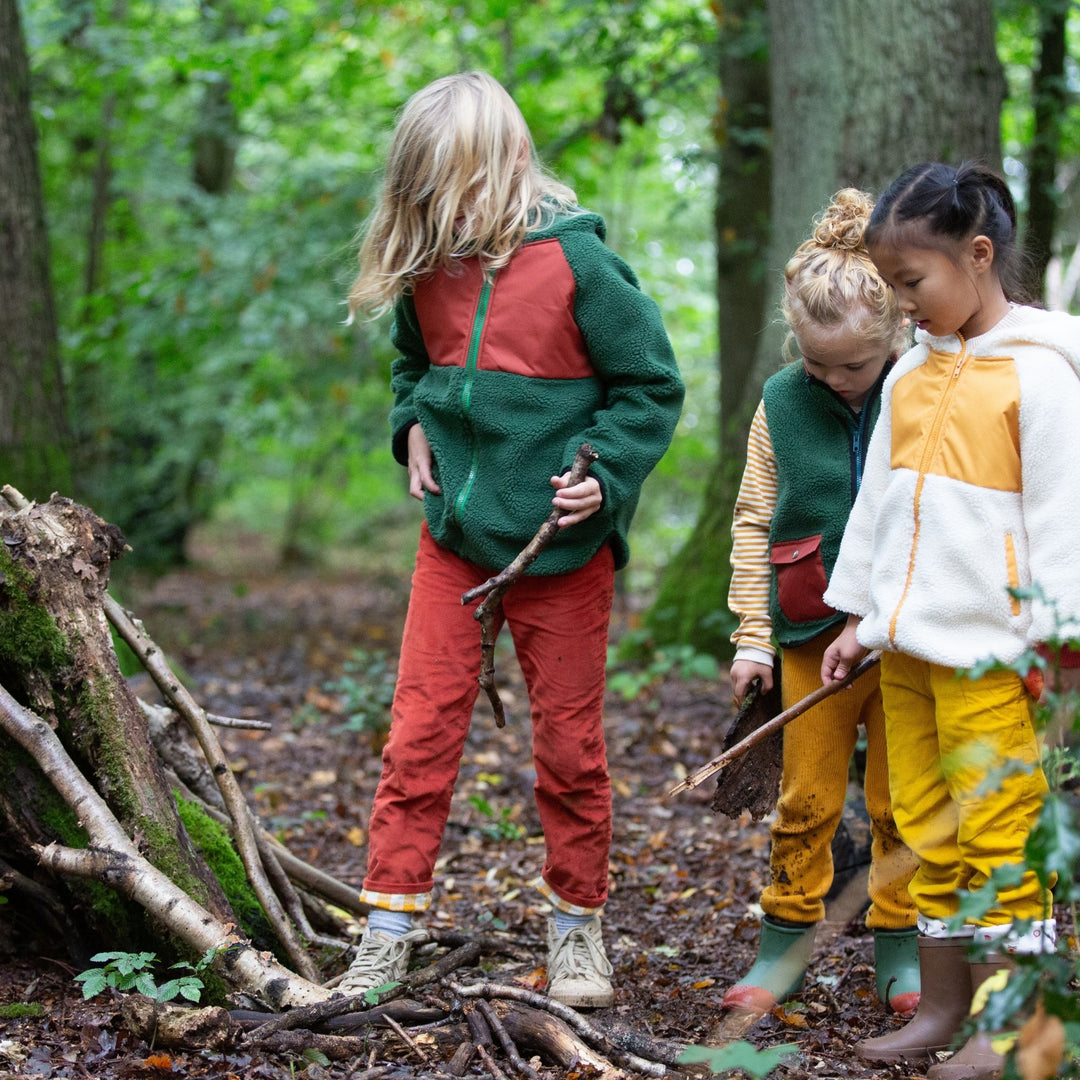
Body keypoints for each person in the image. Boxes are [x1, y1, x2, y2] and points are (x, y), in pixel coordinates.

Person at [339, 71, 684, 1009]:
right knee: (418, 735)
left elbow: (651, 388)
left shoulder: (579, 268)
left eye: (443, 193)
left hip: (560, 554)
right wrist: (409, 425)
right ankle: (386, 930)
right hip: (453, 540)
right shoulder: (429, 268)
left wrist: (605, 476)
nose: (431, 216)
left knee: (570, 750)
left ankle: (577, 931)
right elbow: (414, 370)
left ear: (495, 171)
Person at [821, 161, 1080, 1079]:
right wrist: (858, 614)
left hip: (997, 654)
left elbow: (1061, 520)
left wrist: (1062, 641)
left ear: (978, 256)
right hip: (909, 650)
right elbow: (879, 506)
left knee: (997, 825)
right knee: (925, 820)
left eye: (911, 284)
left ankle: (1019, 1025)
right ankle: (942, 1005)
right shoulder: (908, 376)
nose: (901, 307)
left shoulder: (1043, 378)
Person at [723, 189, 919, 1018]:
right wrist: (754, 637)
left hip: (907, 633)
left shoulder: (919, 384)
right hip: (807, 632)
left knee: (902, 798)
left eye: (853, 367)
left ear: (895, 338)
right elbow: (754, 516)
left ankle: (902, 955)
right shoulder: (779, 401)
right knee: (806, 798)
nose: (836, 380)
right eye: (818, 366)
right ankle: (784, 949)